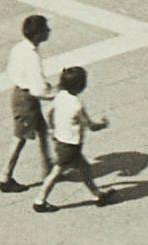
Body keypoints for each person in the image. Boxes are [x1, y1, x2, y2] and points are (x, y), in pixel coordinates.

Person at [34, 66, 110, 211]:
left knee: (84, 168)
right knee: (56, 172)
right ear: (81, 86)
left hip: (60, 140)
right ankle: (39, 201)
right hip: (70, 146)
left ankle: (97, 194)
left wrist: (51, 129)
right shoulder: (77, 105)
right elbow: (90, 125)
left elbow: (48, 112)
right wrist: (103, 124)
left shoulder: (60, 96)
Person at [0, 15, 55, 192]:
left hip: (20, 94)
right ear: (38, 35)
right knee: (20, 138)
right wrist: (54, 95)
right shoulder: (32, 57)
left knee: (42, 131)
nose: (49, 31)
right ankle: (5, 177)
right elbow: (38, 89)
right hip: (27, 100)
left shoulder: (20, 48)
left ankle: (48, 168)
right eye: (46, 29)